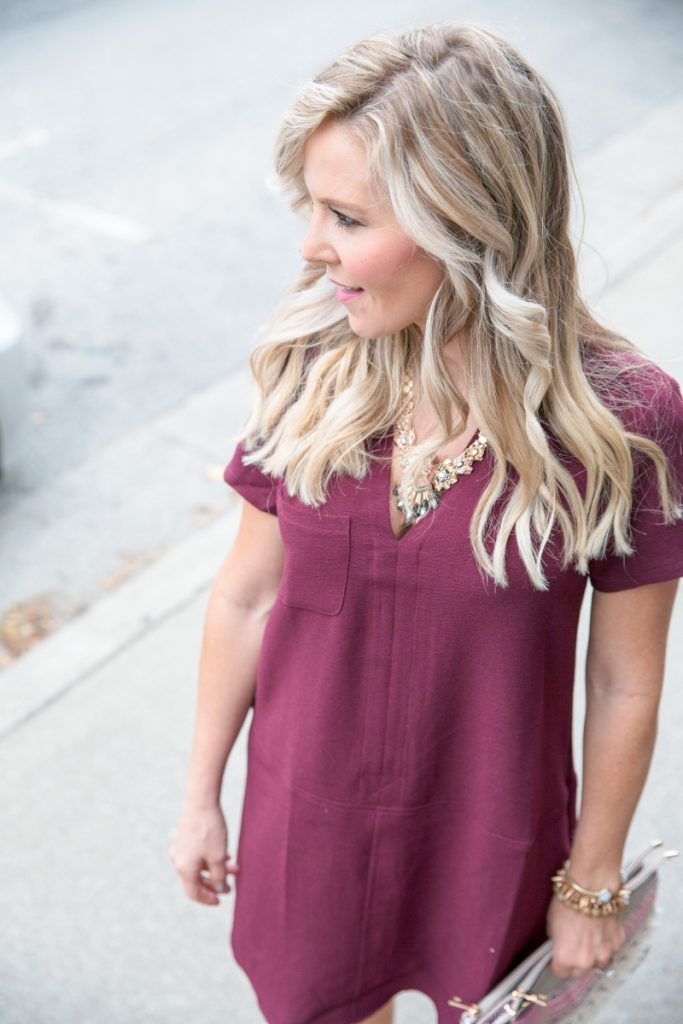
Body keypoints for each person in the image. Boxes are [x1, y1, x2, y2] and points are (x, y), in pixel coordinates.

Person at [169, 22, 683, 1024]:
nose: (312, 246)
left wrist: (591, 878)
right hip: (303, 824)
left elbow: (622, 678)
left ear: (465, 221)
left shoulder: (622, 418)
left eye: (346, 217)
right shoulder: (313, 366)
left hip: (489, 836)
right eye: (312, 207)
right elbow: (245, 596)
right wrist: (199, 796)